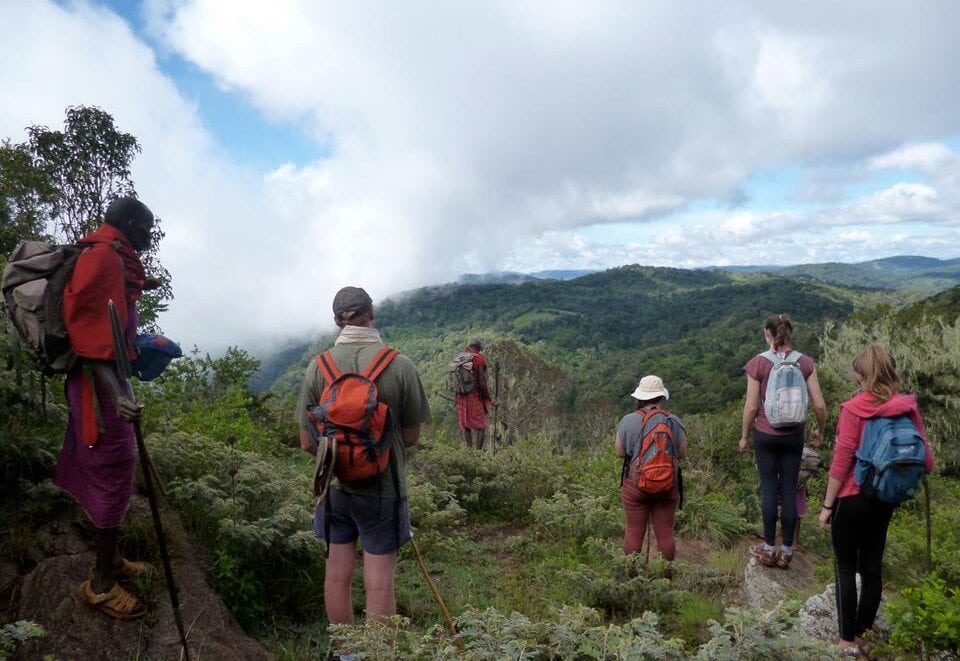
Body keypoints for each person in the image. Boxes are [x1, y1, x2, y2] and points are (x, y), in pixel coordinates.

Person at [297, 286, 431, 626]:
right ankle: (378, 649)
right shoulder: (400, 365)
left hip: (334, 489)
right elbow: (411, 437)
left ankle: (346, 649)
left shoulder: (318, 367)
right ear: (371, 313)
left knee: (336, 575)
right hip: (384, 489)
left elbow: (307, 442)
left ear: (336, 320)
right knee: (380, 581)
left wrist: (342, 459)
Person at [55, 197, 157, 619]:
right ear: (129, 223)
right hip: (99, 390)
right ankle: (99, 584)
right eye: (147, 228)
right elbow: (89, 339)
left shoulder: (114, 256)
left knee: (117, 469)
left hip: (108, 382)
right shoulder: (103, 259)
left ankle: (112, 560)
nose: (150, 236)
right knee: (113, 469)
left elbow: (109, 316)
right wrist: (117, 395)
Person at [818, 345, 935, 655]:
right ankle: (864, 633)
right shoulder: (907, 407)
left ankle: (846, 640)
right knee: (871, 566)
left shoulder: (853, 408)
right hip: (884, 499)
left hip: (852, 497)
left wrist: (827, 506)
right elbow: (928, 461)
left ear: (862, 376)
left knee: (845, 566)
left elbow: (842, 461)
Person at [739, 314, 827, 569]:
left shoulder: (758, 364)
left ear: (767, 334)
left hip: (765, 434)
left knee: (769, 488)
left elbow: (751, 406)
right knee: (789, 488)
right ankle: (787, 550)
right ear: (791, 334)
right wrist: (820, 430)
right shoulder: (805, 362)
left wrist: (744, 436)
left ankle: (769, 547)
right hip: (794, 435)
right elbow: (820, 405)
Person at [616, 375, 687, 561]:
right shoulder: (673, 421)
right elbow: (681, 453)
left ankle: (632, 573)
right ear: (661, 396)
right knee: (665, 533)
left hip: (635, 484)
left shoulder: (628, 420)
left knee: (633, 531)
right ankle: (666, 574)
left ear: (639, 397)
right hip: (667, 484)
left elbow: (620, 452)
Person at [455, 339, 493, 449]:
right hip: (473, 396)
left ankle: (469, 451)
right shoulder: (479, 358)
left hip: (461, 396)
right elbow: (481, 381)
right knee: (481, 427)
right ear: (479, 348)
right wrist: (489, 398)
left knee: (466, 425)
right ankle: (478, 454)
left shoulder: (461, 357)